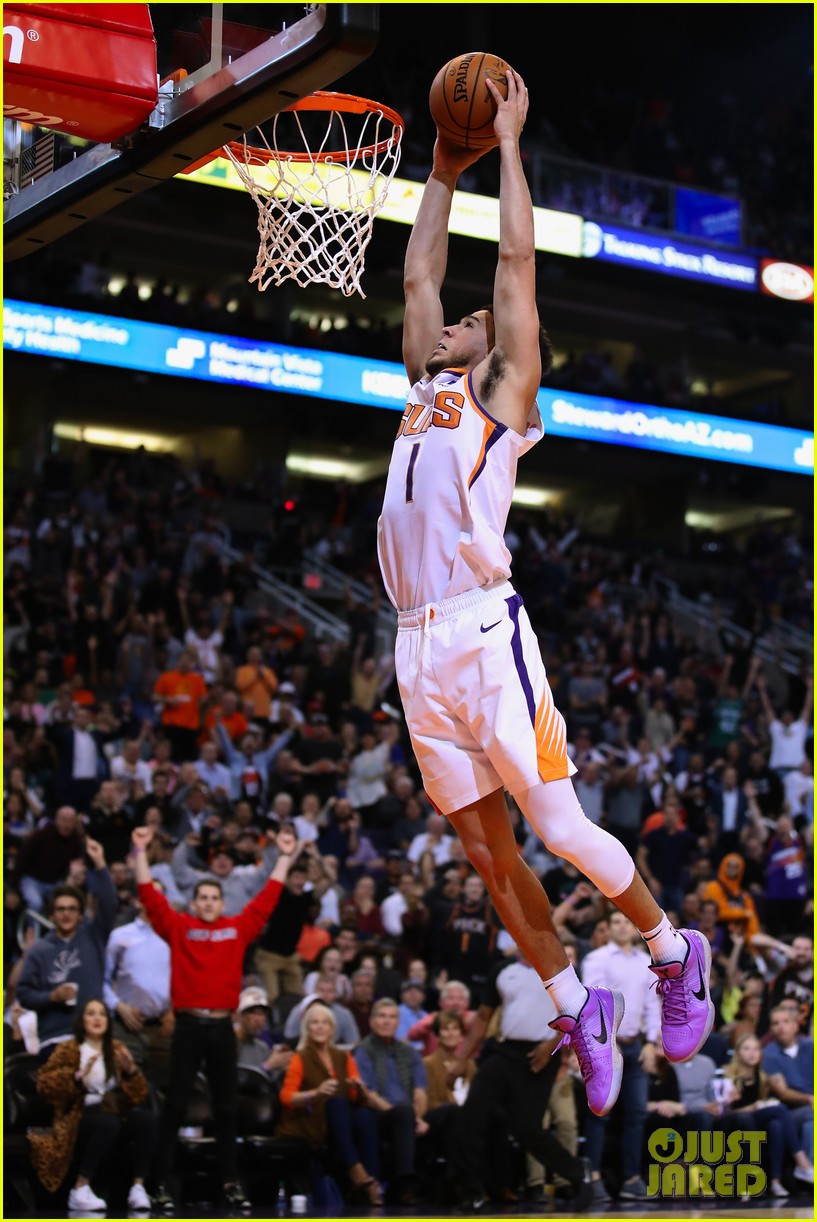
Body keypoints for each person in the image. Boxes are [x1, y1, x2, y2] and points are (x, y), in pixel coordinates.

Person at [375, 66, 713, 1120]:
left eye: (474, 321)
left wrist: (511, 147)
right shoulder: (424, 385)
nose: (455, 320)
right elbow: (419, 272)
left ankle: (672, 949)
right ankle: (577, 1008)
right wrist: (441, 169)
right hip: (413, 643)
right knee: (485, 855)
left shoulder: (502, 396)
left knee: (559, 826)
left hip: (482, 631)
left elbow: (513, 265)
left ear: (503, 354)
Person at [129, 821, 302, 1215]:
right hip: (189, 1026)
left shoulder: (236, 928)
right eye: (202, 897)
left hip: (223, 1026)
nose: (208, 903)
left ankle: (230, 1184)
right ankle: (160, 1183)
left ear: (222, 904)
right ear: (193, 903)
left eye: (214, 898)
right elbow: (149, 897)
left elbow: (268, 898)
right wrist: (139, 852)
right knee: (175, 1106)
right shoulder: (180, 927)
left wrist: (284, 857)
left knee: (226, 1109)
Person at [449, 947, 593, 1211]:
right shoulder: (502, 969)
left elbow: (577, 1014)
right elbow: (483, 1017)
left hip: (541, 1056)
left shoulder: (561, 969)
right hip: (504, 1051)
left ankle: (576, 1171)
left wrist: (551, 1045)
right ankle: (471, 1189)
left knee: (526, 1130)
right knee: (471, 1114)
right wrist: (461, 1059)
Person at [29, 997, 157, 1212]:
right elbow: (45, 1084)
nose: (97, 1018)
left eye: (102, 1014)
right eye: (91, 1014)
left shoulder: (116, 1049)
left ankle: (138, 1188)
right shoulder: (69, 1049)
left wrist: (131, 1072)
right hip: (78, 1114)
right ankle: (80, 1188)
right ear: (82, 1020)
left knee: (146, 1120)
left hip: (111, 1110)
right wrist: (78, 1077)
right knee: (107, 1123)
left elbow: (138, 1096)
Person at [17, 837, 117, 1059]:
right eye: (60, 909)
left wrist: (100, 863)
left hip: (93, 1036)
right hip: (54, 1038)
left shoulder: (93, 936)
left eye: (72, 909)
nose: (66, 914)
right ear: (51, 915)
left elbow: (109, 903)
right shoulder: (39, 950)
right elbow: (24, 994)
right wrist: (51, 996)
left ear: (80, 914)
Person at [276, 1001, 382, 1205]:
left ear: (332, 1028)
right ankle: (356, 1171)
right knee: (337, 1103)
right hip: (312, 1120)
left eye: (325, 1022)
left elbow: (357, 1097)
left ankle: (373, 1181)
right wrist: (316, 1093)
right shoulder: (300, 1057)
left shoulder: (343, 1056)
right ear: (307, 1028)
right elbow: (287, 1097)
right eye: (314, 1022)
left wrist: (359, 1090)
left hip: (342, 1122)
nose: (320, 1027)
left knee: (364, 1114)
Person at [353, 997, 429, 1206]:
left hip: (410, 1114)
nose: (387, 1021)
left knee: (451, 1113)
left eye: (392, 1017)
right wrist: (407, 1116)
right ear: (372, 1021)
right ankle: (405, 1184)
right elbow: (368, 1094)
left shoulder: (409, 1052)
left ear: (398, 1022)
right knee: (403, 1113)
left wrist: (417, 1117)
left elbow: (420, 1092)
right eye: (382, 1016)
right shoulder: (363, 1050)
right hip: (379, 1116)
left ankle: (461, 1187)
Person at [723, 1033, 813, 1196]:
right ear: (738, 1053)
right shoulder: (728, 1075)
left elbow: (771, 1100)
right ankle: (802, 1163)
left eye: (756, 1049)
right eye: (746, 1049)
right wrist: (753, 1106)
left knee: (776, 1124)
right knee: (778, 1110)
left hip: (756, 1121)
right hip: (732, 1123)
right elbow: (725, 1113)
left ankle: (775, 1182)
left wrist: (774, 1090)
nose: (752, 1053)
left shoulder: (763, 1078)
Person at [103, 887, 173, 1087]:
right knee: (127, 1086)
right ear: (137, 901)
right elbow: (102, 980)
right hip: (127, 1024)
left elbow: (187, 977)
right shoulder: (119, 935)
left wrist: (176, 1009)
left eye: (158, 895)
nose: (152, 900)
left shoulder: (174, 934)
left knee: (165, 1086)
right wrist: (119, 1007)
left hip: (164, 1025)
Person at [762, 1005, 814, 1172]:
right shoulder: (769, 1054)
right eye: (775, 1023)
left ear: (795, 1025)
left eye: (785, 1021)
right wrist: (809, 1098)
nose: (780, 1027)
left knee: (811, 1126)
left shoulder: (811, 1046)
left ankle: (808, 1171)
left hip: (810, 1109)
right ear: (771, 1029)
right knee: (811, 1114)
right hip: (789, 1112)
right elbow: (783, 1093)